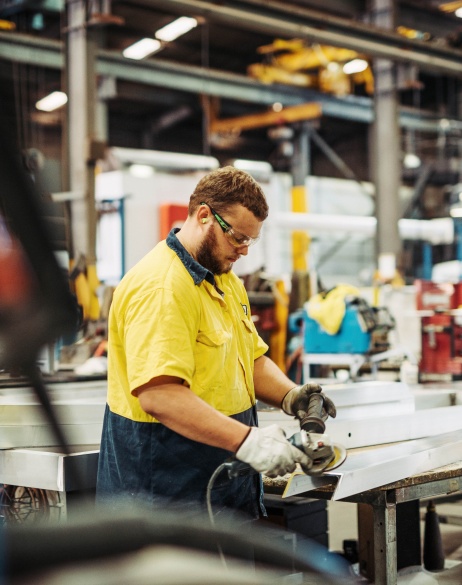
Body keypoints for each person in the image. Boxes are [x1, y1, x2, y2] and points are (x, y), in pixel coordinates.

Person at [96, 165, 336, 519]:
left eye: (250, 240)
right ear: (205, 215)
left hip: (221, 479)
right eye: (237, 237)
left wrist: (290, 395)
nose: (244, 251)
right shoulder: (163, 285)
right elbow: (159, 394)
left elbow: (248, 359)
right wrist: (247, 441)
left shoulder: (225, 280)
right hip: (166, 489)